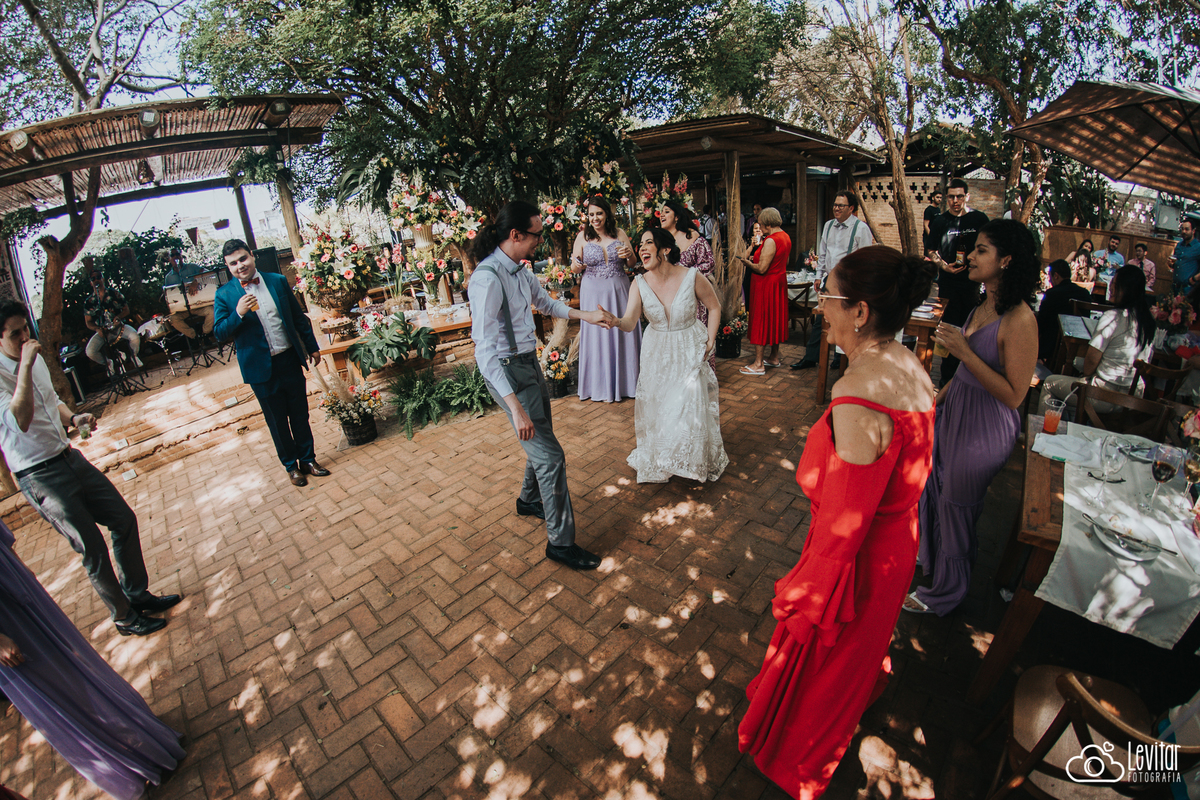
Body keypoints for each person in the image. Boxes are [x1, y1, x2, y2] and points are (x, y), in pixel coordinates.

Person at [738, 245, 937, 799]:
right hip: (899, 542)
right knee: (855, 659)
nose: (820, 307)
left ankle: (797, 757)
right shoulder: (911, 365)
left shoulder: (857, 395)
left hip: (861, 557)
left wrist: (810, 590)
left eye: (828, 296)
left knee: (823, 665)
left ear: (861, 312)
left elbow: (845, 527)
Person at [0, 300, 179, 636]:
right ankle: (124, 617)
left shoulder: (33, 359)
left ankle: (137, 595)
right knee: (91, 547)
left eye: (26, 329)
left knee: (122, 518)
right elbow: (19, 419)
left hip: (68, 456)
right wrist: (23, 366)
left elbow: (51, 399)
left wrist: (74, 417)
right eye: (15, 334)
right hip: (39, 474)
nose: (25, 337)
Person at [905, 219, 1039, 616]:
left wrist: (964, 351)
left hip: (986, 426)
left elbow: (1015, 395)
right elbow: (964, 373)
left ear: (1006, 260)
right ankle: (931, 559)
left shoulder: (1020, 320)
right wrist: (937, 402)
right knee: (935, 489)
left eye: (982, 250)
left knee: (958, 506)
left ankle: (948, 592)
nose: (971, 256)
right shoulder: (984, 304)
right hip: (955, 410)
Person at [470, 201, 613, 571]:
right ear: (515, 235)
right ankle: (560, 545)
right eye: (536, 234)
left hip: (529, 364)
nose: (540, 241)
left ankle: (527, 499)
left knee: (542, 436)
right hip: (506, 373)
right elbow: (484, 353)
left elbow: (547, 304)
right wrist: (514, 407)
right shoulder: (487, 279)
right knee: (551, 457)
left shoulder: (521, 270)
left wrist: (589, 315)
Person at [0, 520, 185, 799]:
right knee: (57, 691)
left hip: (12, 580)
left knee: (75, 664)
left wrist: (16, 562)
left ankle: (142, 737)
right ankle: (121, 766)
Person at [600, 228, 727, 484]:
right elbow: (629, 322)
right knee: (662, 405)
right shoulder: (639, 283)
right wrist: (615, 321)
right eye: (640, 244)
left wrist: (711, 340)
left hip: (689, 347)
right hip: (657, 351)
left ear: (665, 249)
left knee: (687, 403)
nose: (642, 248)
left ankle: (691, 459)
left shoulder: (692, 277)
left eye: (649, 243)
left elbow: (714, 307)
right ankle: (665, 457)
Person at [214, 239, 330, 488]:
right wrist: (238, 314)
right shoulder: (224, 295)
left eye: (243, 259)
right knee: (277, 422)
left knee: (300, 414)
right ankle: (291, 467)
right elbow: (219, 333)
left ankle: (308, 460)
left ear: (252, 256)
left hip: (288, 359)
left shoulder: (276, 281)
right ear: (228, 266)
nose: (240, 266)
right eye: (233, 263)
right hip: (259, 369)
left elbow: (298, 318)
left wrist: (312, 347)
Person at [1039, 265, 1155, 414]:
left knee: (1050, 383)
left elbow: (1090, 364)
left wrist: (1085, 373)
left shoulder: (1113, 318)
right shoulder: (1149, 322)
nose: (1111, 288)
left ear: (1127, 290)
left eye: (1115, 285)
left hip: (1104, 396)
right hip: (1133, 399)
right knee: (1074, 384)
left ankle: (1044, 435)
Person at [792, 190, 874, 370]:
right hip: (830, 279)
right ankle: (811, 357)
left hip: (849, 281)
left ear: (851, 208)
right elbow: (823, 254)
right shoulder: (828, 225)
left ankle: (839, 358)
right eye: (835, 205)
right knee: (821, 319)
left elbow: (866, 259)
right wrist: (819, 276)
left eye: (840, 205)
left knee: (845, 320)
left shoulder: (861, 229)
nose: (836, 208)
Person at [570, 197, 641, 403]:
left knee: (622, 329)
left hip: (619, 288)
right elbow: (574, 267)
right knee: (596, 332)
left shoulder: (619, 234)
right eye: (591, 215)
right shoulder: (582, 237)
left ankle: (627, 383)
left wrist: (629, 255)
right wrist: (578, 265)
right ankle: (599, 385)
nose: (595, 218)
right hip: (593, 291)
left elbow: (632, 263)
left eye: (599, 213)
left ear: (607, 214)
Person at [925, 178, 990, 386]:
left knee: (970, 330)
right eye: (952, 196)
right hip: (947, 285)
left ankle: (967, 375)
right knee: (948, 331)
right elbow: (931, 251)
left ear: (967, 196)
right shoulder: (940, 221)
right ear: (946, 198)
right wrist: (944, 266)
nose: (955, 200)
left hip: (972, 285)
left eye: (959, 196)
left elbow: (989, 247)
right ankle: (946, 380)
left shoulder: (979, 219)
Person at [661, 200, 718, 372]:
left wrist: (686, 276)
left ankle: (698, 378)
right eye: (660, 212)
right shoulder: (660, 240)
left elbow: (709, 262)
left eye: (666, 211)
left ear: (677, 216)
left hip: (693, 298)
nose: (661, 215)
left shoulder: (690, 236)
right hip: (669, 298)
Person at [736, 208, 791, 375]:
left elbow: (761, 269)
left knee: (761, 320)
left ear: (767, 223)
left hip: (766, 284)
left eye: (759, 222)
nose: (758, 224)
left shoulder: (771, 240)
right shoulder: (786, 237)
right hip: (778, 283)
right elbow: (784, 260)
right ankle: (774, 357)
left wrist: (746, 262)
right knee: (775, 319)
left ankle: (759, 364)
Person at [1036, 259, 1091, 370]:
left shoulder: (1052, 294)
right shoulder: (1084, 294)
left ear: (1056, 275)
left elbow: (1040, 324)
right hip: (1077, 349)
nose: (1049, 279)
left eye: (1050, 276)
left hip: (1051, 347)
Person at [83, 267, 141, 370]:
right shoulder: (89, 301)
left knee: (134, 336)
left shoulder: (114, 293)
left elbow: (126, 310)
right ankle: (109, 363)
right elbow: (88, 322)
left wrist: (118, 317)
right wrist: (97, 329)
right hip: (103, 332)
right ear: (90, 282)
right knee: (90, 351)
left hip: (119, 327)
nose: (96, 280)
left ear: (103, 279)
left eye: (98, 277)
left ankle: (134, 355)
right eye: (93, 279)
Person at [160, 248, 214, 340]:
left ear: (181, 256)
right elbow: (169, 293)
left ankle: (204, 333)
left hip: (199, 304)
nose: (176, 257)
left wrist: (196, 280)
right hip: (182, 309)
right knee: (173, 319)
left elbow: (208, 273)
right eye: (172, 255)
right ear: (169, 259)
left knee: (212, 311)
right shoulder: (169, 277)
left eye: (177, 254)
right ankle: (195, 336)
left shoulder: (191, 267)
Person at [1175, 218, 1200, 293]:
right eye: (1182, 229)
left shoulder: (1198, 247)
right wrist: (1172, 264)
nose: (1184, 232)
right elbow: (1178, 262)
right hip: (1175, 287)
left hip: (1188, 289)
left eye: (1187, 229)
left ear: (1193, 231)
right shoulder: (1179, 246)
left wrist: (1194, 279)